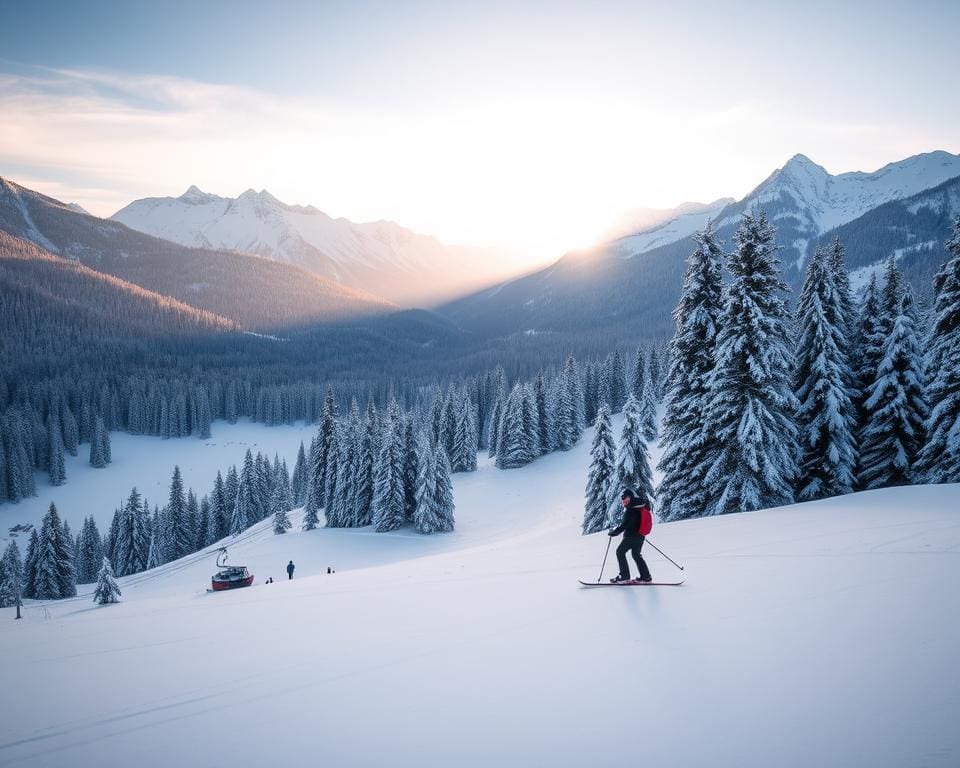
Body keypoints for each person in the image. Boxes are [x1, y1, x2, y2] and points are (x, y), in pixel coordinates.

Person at [608, 488, 653, 583]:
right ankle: (646, 576)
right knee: (636, 555)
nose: (624, 500)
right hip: (640, 536)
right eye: (622, 499)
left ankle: (624, 576)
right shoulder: (639, 507)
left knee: (620, 552)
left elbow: (624, 525)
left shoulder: (630, 510)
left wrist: (614, 533)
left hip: (631, 536)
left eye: (625, 498)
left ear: (631, 497)